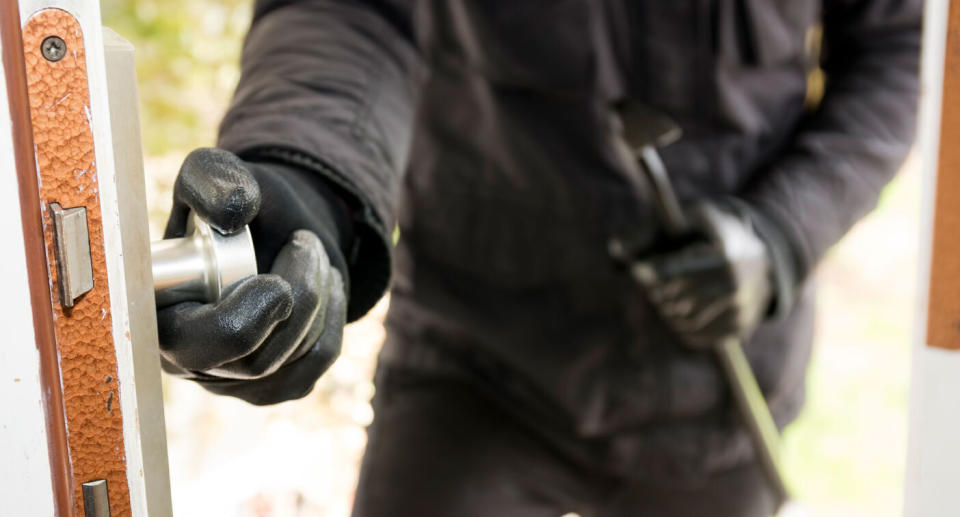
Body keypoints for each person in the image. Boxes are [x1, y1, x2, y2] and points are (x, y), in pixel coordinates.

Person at [156, 1, 921, 515]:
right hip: (475, 363)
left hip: (716, 392)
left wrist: (783, 231)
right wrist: (308, 178)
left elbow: (895, 54)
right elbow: (353, 12)